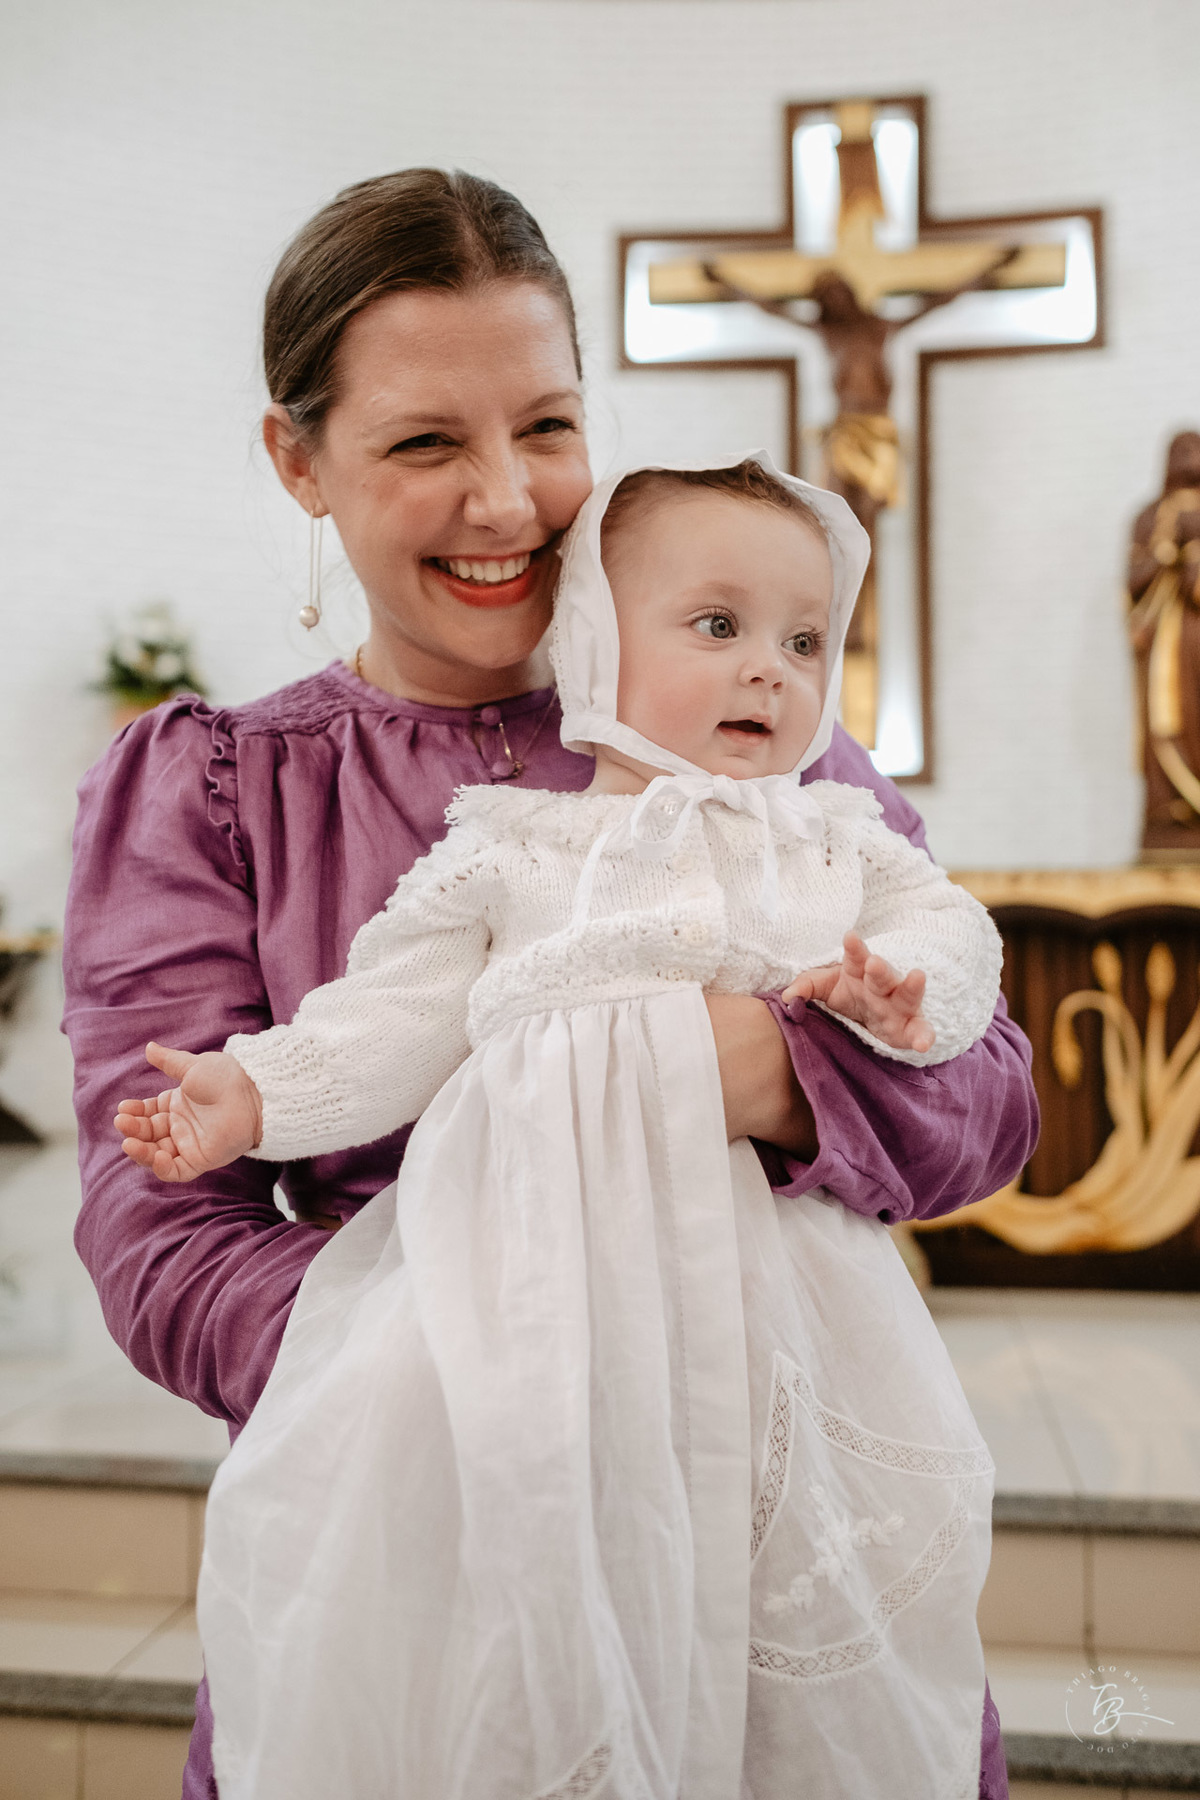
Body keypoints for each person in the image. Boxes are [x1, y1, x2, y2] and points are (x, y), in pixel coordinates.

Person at [62, 169, 1037, 1800]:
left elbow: (990, 1100)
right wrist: (461, 1369)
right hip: (411, 1547)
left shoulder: (755, 736)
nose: (508, 501)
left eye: (548, 426)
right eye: (423, 443)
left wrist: (770, 1075)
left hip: (776, 1519)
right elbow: (152, 1217)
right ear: (298, 460)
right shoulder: (215, 789)